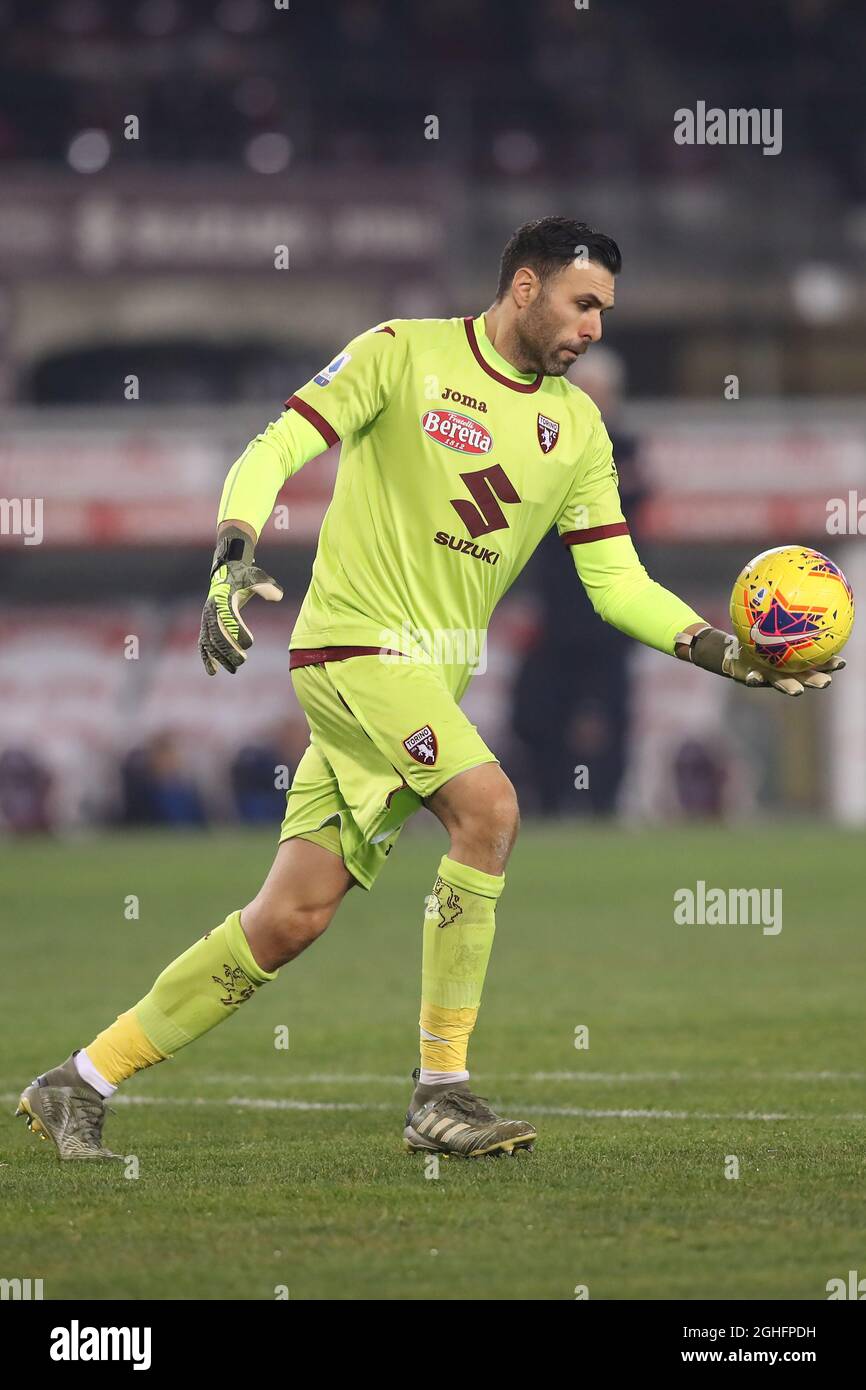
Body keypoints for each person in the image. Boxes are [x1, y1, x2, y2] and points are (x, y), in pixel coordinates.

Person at [16, 217, 843, 1162]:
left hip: (423, 682)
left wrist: (725, 653)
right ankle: (439, 1093)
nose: (594, 330)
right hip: (352, 652)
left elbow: (615, 581)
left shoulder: (575, 430)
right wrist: (235, 553)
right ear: (524, 289)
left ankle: (76, 1081)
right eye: (583, 306)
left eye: (605, 312)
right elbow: (275, 446)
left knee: (288, 920)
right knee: (489, 810)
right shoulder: (400, 353)